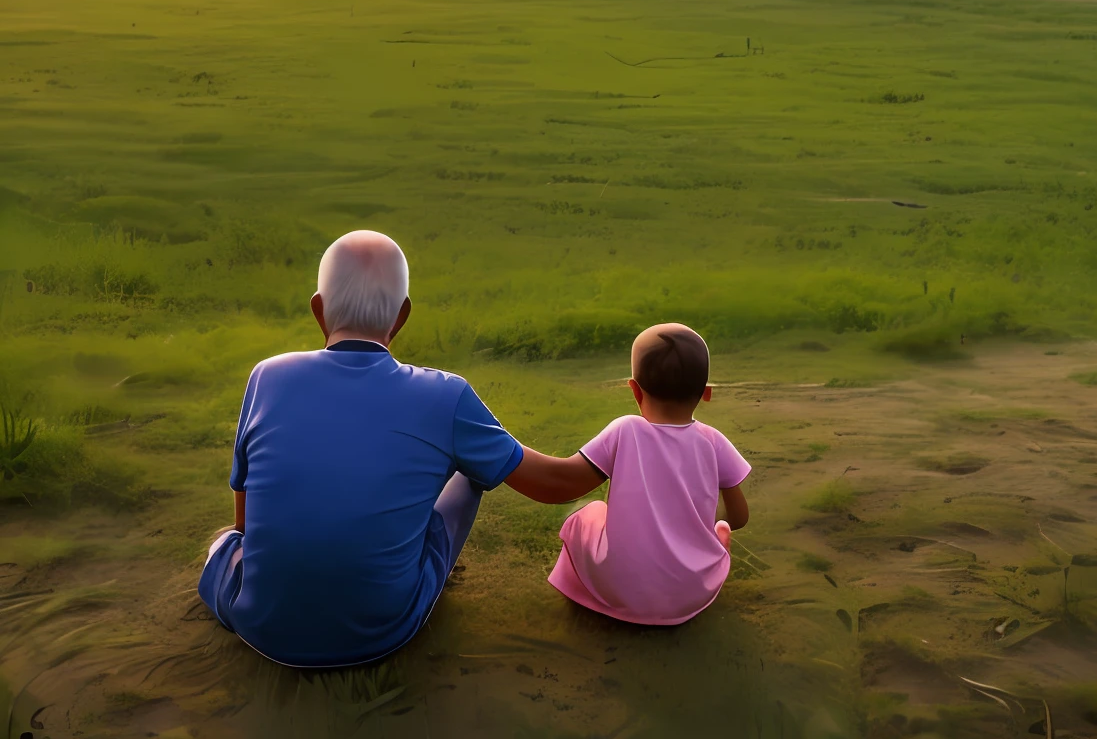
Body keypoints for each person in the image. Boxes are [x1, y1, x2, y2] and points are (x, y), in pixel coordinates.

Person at [198, 231, 599, 668]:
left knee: (224, 542)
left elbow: (245, 517)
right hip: (383, 630)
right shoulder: (446, 395)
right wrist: (619, 444)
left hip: (262, 627)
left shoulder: (267, 377)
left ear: (318, 309)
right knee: (473, 470)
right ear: (402, 315)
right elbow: (556, 485)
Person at [545, 323, 751, 625]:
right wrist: (707, 524)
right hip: (692, 594)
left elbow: (572, 475)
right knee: (720, 529)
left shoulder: (625, 430)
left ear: (634, 390)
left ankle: (581, 589)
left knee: (586, 516)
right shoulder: (713, 441)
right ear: (706, 394)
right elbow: (739, 517)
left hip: (621, 590)